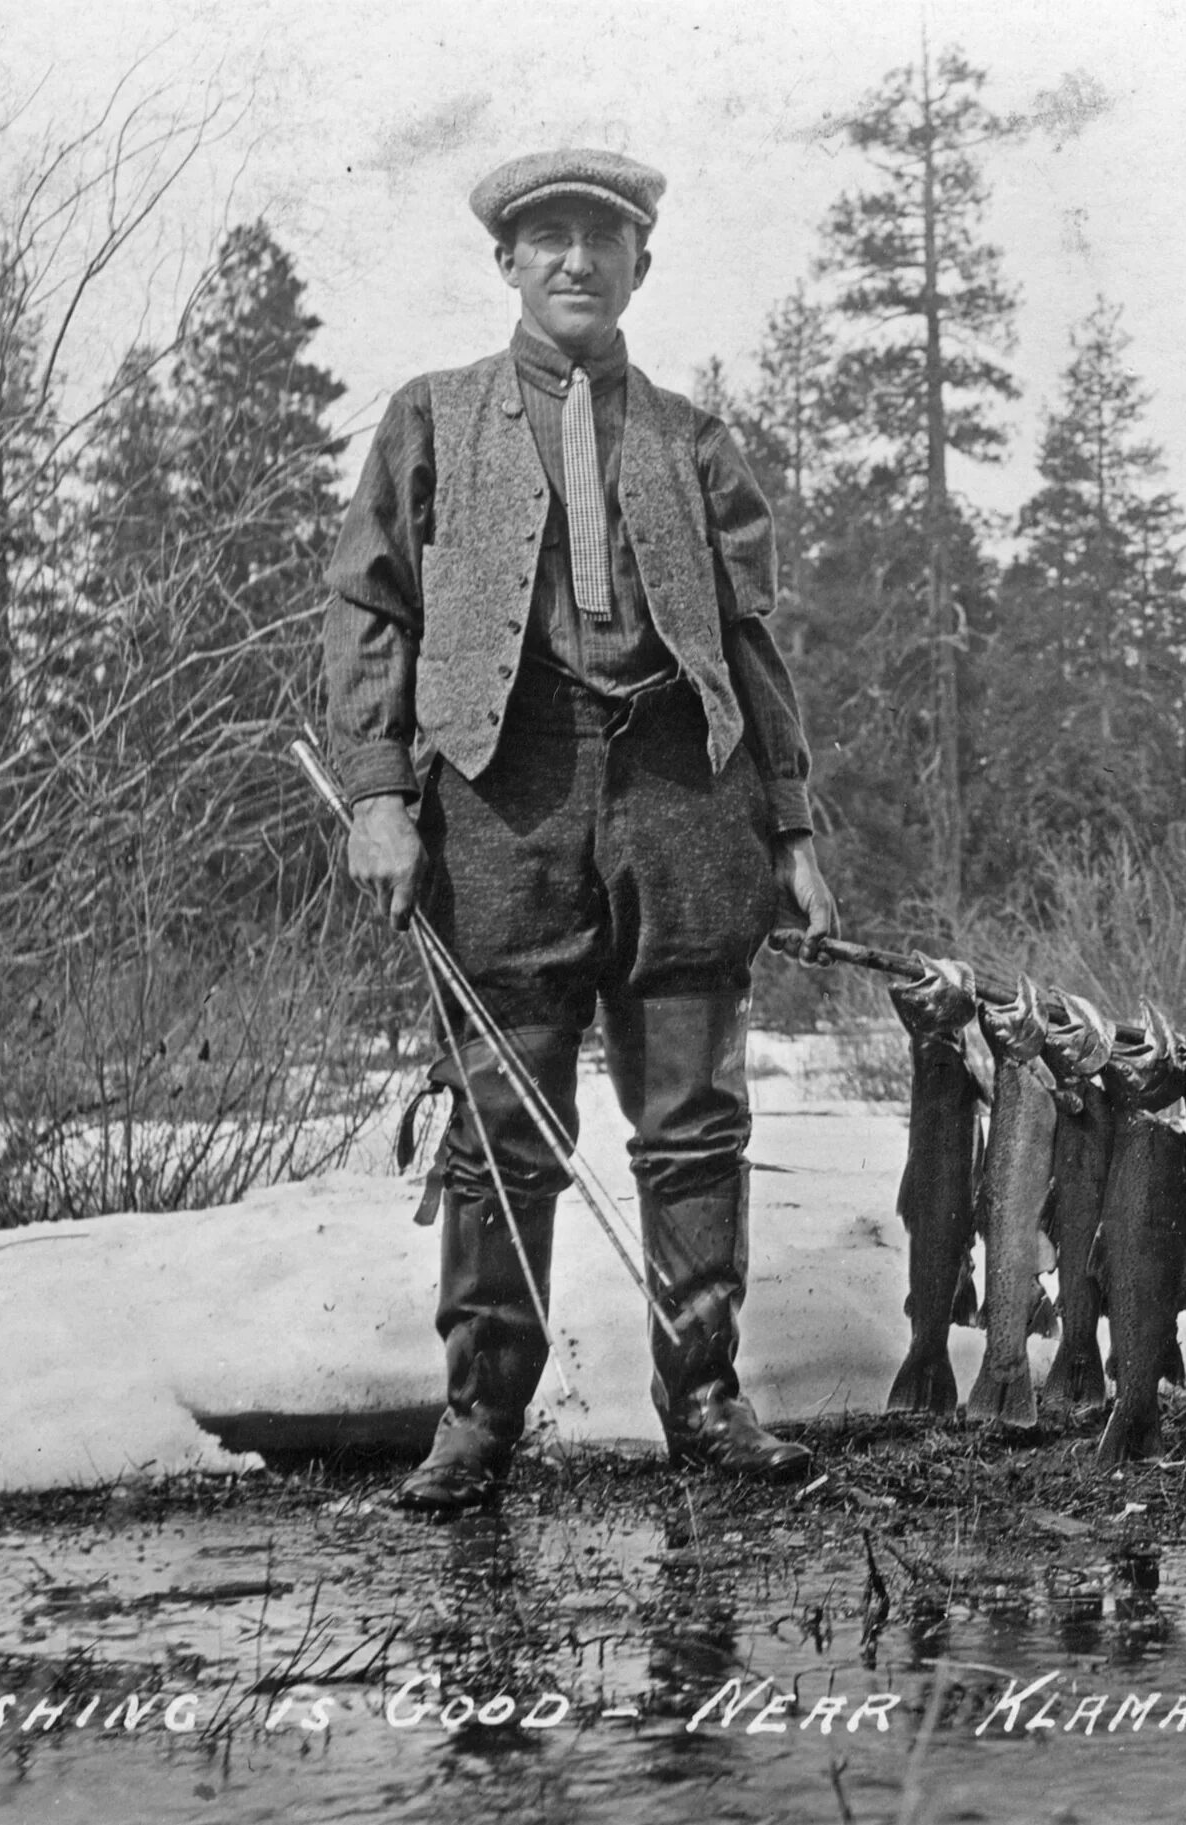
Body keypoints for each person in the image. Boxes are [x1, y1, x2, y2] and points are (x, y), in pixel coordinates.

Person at [322, 148, 838, 1514]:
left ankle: (709, 1402)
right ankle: (481, 1419)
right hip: (503, 793)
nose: (573, 261)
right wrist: (379, 795)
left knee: (695, 1114)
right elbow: (370, 608)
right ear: (507, 262)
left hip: (682, 791)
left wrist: (790, 825)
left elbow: (750, 636)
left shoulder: (693, 440)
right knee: (502, 1116)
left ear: (638, 269)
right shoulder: (432, 420)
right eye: (546, 238)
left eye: (600, 242)